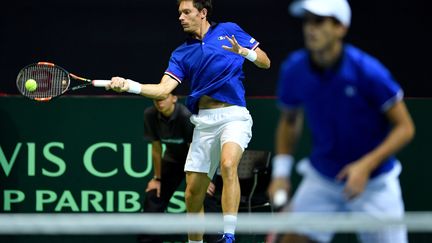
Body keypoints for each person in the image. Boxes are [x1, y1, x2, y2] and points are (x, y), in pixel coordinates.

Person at [107, 0, 271, 242]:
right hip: (204, 122)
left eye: (187, 12)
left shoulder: (229, 30)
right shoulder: (181, 53)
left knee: (228, 164)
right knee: (192, 195)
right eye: (179, 13)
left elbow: (265, 62)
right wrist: (129, 86)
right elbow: (164, 90)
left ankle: (229, 234)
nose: (181, 18)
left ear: (202, 13)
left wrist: (244, 52)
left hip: (234, 115)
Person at [267, 0, 415, 242]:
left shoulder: (368, 71)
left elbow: (405, 127)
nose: (310, 28)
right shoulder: (295, 69)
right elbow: (289, 120)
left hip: (375, 183)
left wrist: (365, 165)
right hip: (323, 177)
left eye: (319, 21)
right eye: (307, 21)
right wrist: (281, 174)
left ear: (341, 28)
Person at [137, 92, 194, 243]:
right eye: (156, 99)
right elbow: (156, 149)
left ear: (174, 98)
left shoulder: (185, 115)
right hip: (172, 160)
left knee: (204, 197)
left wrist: (200, 178)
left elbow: (194, 149)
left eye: (163, 98)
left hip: (194, 161)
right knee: (154, 194)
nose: (159, 102)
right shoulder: (150, 114)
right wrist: (157, 178)